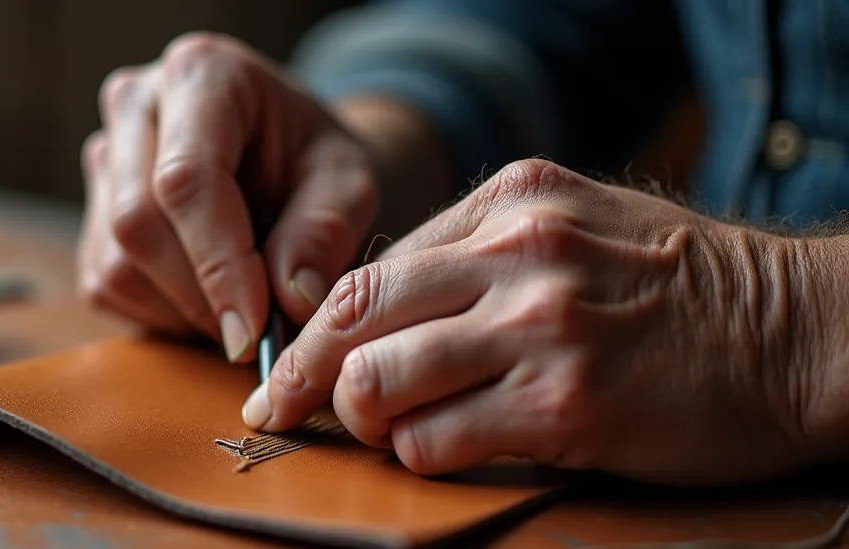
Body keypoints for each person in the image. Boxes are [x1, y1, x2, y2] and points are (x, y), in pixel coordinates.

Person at [75, 0, 849, 486]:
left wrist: (779, 315)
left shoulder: (759, 318)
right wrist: (365, 152)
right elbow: (567, 24)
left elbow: (772, 317)